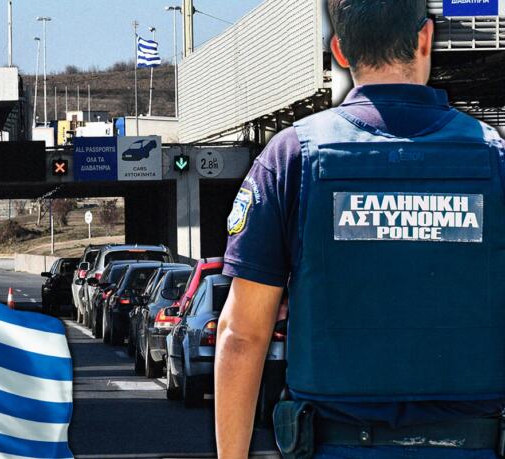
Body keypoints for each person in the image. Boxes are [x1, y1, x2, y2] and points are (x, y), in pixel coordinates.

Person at [215, 1, 505, 458]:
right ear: (425, 38)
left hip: (334, 445)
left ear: (340, 51)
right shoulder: (494, 158)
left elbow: (241, 335)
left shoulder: (292, 157)